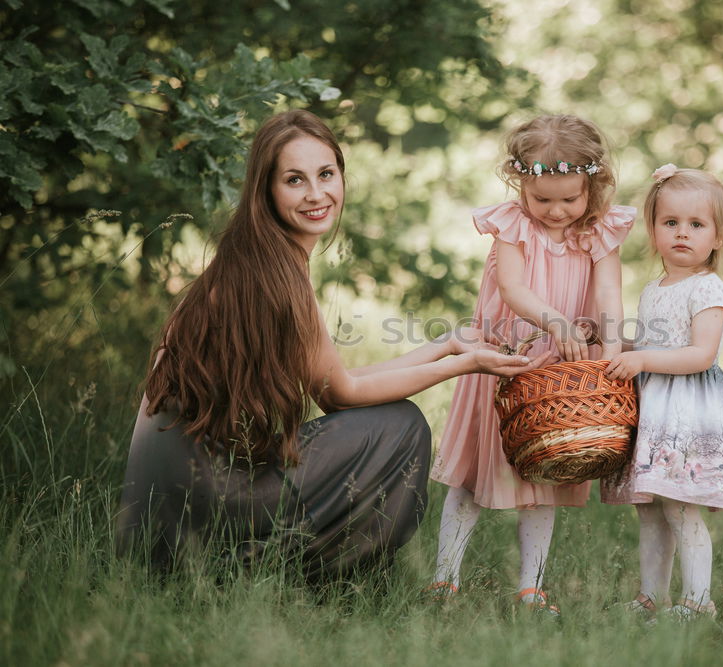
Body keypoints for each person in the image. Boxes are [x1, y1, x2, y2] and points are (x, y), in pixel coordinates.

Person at [116, 110, 548, 582]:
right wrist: (466, 366)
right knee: (400, 427)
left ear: (342, 174)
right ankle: (288, 574)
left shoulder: (258, 257)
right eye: (294, 180)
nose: (317, 194)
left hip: (175, 507)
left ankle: (257, 568)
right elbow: (340, 396)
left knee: (390, 420)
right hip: (207, 497)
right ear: (266, 189)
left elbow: (336, 381)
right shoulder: (272, 274)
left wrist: (447, 346)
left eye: (326, 174)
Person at [427, 115, 636, 614]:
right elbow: (514, 290)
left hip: (567, 372)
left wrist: (610, 351)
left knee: (547, 473)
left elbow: (608, 293)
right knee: (475, 474)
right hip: (507, 361)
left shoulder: (601, 229)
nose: (557, 211)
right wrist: (557, 323)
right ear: (520, 182)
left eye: (570, 198)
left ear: (593, 183)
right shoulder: (513, 225)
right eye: (542, 199)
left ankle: (531, 586)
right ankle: (444, 578)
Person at [601, 164, 723, 620]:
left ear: (718, 236)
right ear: (653, 229)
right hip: (656, 408)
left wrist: (640, 360)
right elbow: (658, 346)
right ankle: (651, 596)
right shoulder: (655, 288)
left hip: (689, 411)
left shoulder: (709, 288)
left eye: (696, 225)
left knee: (681, 509)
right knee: (652, 512)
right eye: (670, 222)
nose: (682, 233)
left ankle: (698, 601)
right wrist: (620, 348)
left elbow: (700, 355)